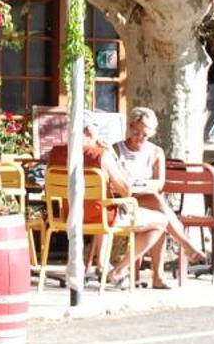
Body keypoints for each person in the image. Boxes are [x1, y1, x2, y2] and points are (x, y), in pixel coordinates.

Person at [46, 123, 178, 288]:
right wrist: (114, 158)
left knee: (113, 207)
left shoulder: (56, 153)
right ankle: (118, 271)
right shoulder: (102, 155)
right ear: (90, 133)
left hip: (67, 216)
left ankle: (103, 264)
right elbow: (126, 190)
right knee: (161, 221)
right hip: (101, 216)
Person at [107, 107, 206, 280]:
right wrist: (132, 186)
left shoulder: (155, 151)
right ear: (130, 127)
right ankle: (182, 248)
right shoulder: (116, 149)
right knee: (161, 215)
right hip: (123, 201)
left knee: (158, 209)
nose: (140, 137)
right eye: (136, 132)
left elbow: (159, 183)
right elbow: (113, 183)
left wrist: (142, 184)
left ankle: (126, 271)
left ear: (151, 133)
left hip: (144, 196)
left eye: (145, 134)